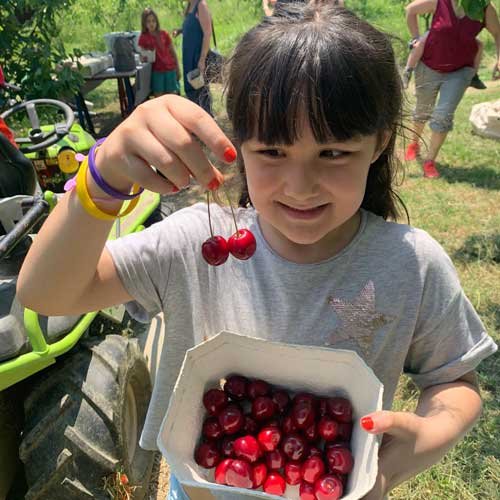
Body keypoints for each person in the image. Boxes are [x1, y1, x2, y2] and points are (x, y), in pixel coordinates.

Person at [17, 3, 496, 500]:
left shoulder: (410, 266)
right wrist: (102, 180)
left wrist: (426, 439)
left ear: (379, 143)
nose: (301, 185)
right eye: (272, 151)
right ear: (238, 143)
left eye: (333, 153)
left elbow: (455, 381)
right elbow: (47, 293)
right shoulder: (197, 247)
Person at [404, 0, 500, 179]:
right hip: (429, 66)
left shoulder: (484, 7)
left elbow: (497, 34)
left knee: (444, 114)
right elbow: (410, 10)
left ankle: (429, 161)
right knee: (422, 110)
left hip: (460, 70)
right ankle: (414, 143)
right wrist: (415, 38)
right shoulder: (439, 1)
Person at [402, 32, 486, 90]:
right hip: (440, 26)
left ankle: (473, 75)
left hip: (460, 27)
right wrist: (415, 36)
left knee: (479, 44)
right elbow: (411, 11)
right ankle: (408, 71)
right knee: (419, 43)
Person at [172, 0, 213, 115]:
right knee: (190, 89)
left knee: (200, 91)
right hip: (188, 57)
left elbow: (207, 33)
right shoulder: (190, 5)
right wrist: (180, 30)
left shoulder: (201, 5)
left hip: (197, 57)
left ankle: (207, 120)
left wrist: (202, 59)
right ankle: (196, 122)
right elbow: (194, 27)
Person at [138, 8, 180, 97]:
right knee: (159, 97)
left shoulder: (164, 34)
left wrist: (177, 68)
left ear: (157, 21)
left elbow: (172, 52)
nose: (151, 23)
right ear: (144, 23)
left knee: (172, 96)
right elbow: (142, 55)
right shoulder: (143, 37)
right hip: (156, 71)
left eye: (153, 21)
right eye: (148, 21)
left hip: (169, 69)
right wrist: (144, 57)